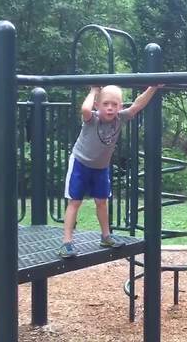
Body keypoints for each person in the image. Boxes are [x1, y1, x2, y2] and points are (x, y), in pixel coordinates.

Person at [58, 84, 161, 258]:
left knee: (102, 202)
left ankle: (106, 236)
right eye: (106, 104)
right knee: (74, 202)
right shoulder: (92, 119)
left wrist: (153, 87)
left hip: (100, 168)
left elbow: (137, 105)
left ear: (120, 107)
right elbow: (84, 108)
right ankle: (67, 242)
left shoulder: (120, 118)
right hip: (80, 163)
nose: (110, 108)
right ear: (97, 106)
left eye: (114, 104)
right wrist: (93, 91)